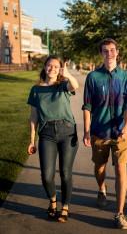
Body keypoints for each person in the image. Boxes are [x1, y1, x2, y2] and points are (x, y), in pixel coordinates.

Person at [82, 38, 127, 230]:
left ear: (117, 53)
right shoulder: (93, 77)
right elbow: (87, 106)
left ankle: (120, 213)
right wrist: (87, 131)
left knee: (121, 170)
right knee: (100, 167)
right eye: (105, 51)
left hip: (120, 132)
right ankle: (101, 188)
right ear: (101, 54)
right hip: (99, 132)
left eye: (112, 50)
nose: (109, 54)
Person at [27, 56, 79, 223]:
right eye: (50, 65)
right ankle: (53, 201)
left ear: (59, 70)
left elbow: (75, 85)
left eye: (56, 66)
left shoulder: (63, 86)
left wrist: (68, 74)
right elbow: (33, 116)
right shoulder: (36, 89)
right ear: (45, 67)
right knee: (47, 176)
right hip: (47, 134)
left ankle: (65, 207)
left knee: (65, 173)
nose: (52, 69)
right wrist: (32, 140)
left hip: (67, 132)